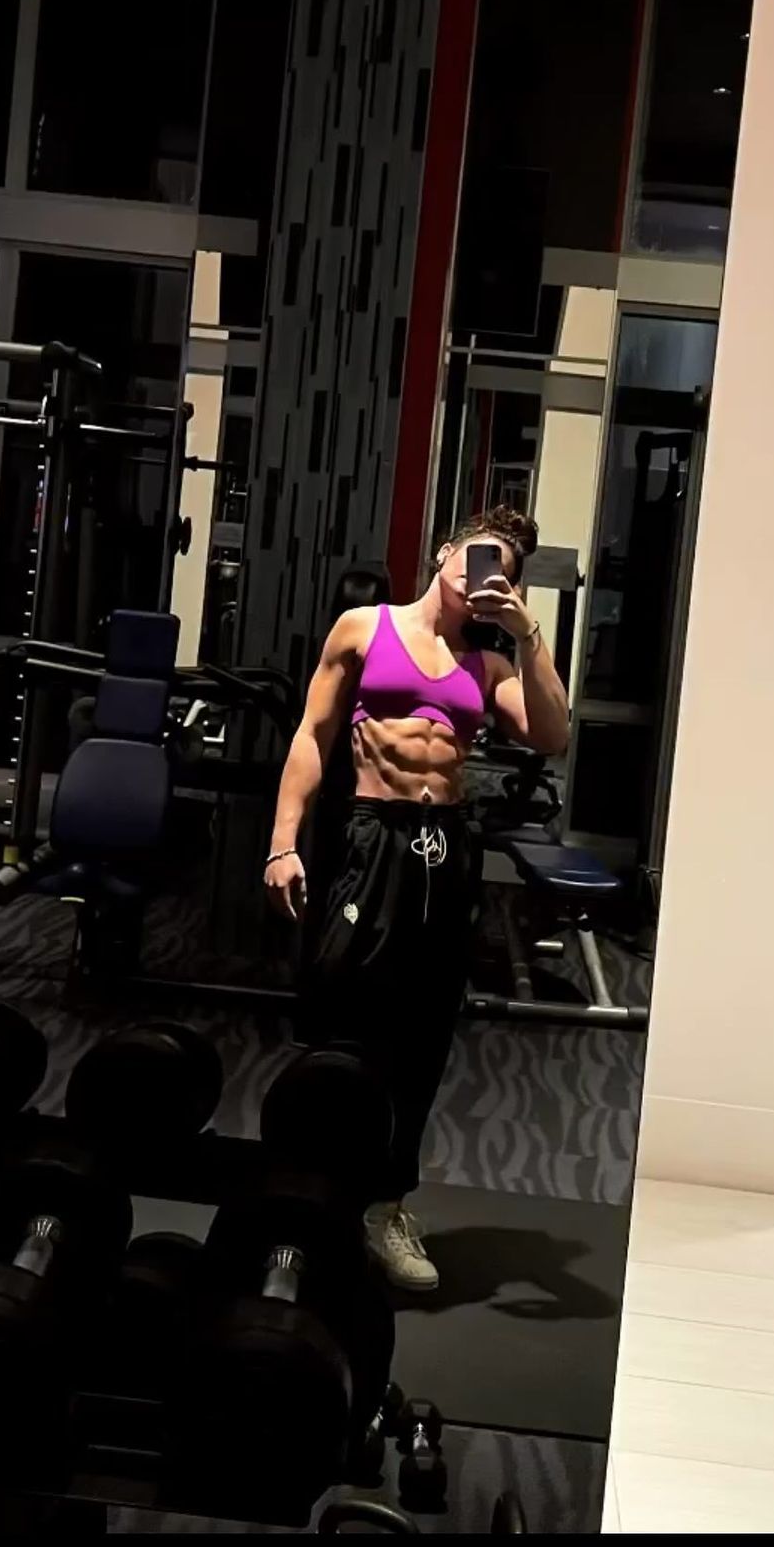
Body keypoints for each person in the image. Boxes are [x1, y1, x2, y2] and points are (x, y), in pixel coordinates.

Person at [264, 505, 569, 1291]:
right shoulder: (364, 628)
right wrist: (283, 841)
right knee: (342, 1013)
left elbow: (552, 735)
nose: (484, 578)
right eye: (478, 558)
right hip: (372, 840)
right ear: (444, 553)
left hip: (446, 849)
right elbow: (313, 736)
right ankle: (307, 1191)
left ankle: (384, 1206)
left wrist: (529, 634)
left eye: (504, 572)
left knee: (424, 1031)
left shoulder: (489, 665)